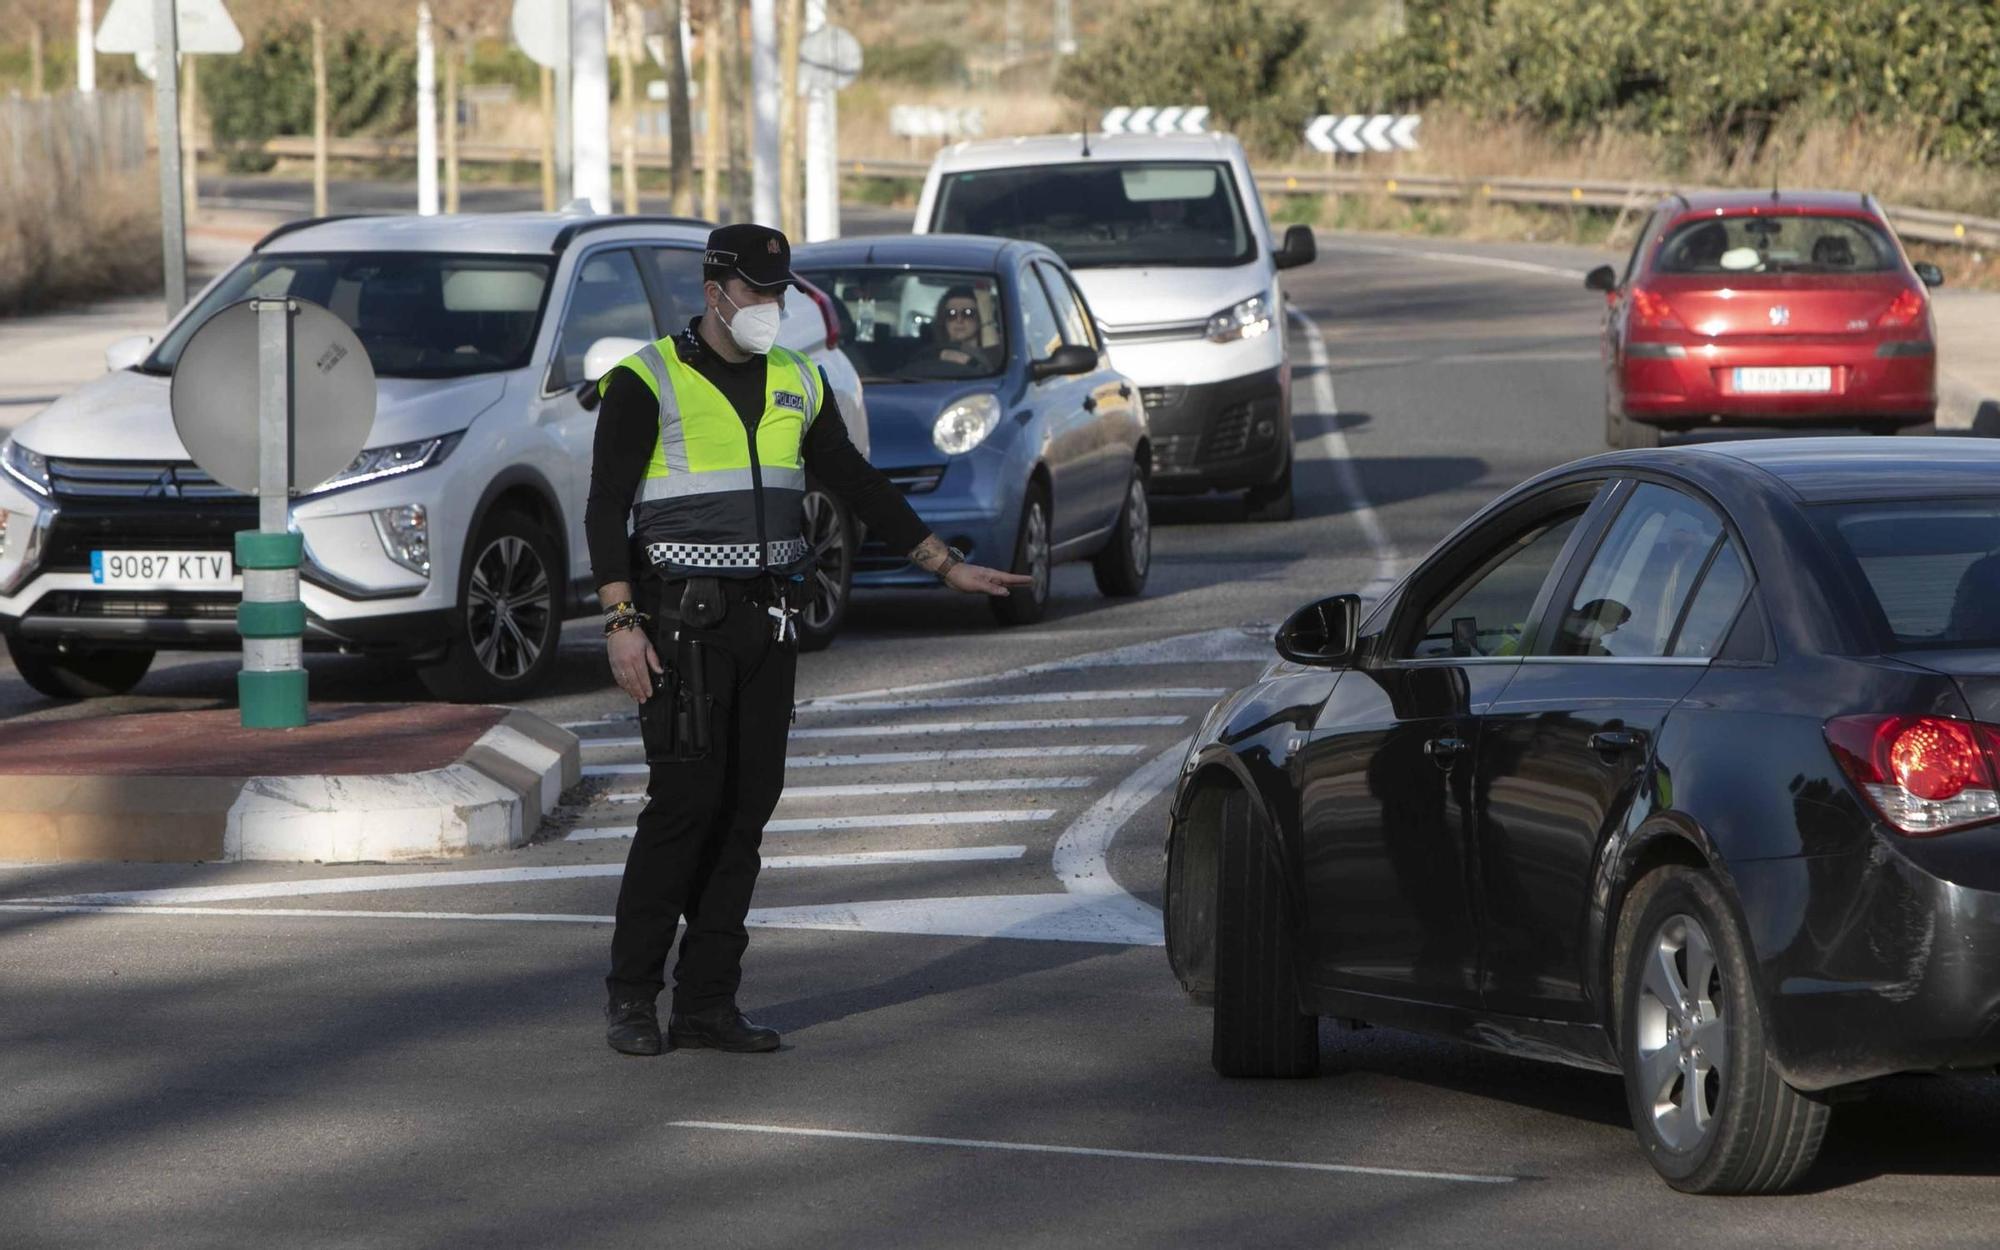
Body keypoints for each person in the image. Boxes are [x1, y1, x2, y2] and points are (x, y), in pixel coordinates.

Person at [585, 223, 1031, 1057]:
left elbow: (856, 481)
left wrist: (944, 565)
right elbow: (606, 506)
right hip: (679, 623)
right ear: (715, 290)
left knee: (747, 813)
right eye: (757, 292)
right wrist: (621, 622)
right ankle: (633, 997)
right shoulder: (646, 380)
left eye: (780, 293)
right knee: (684, 810)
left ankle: (709, 1002)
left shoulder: (799, 378)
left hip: (768, 622)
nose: (770, 307)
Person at [921, 285, 993, 372]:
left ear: (981, 317)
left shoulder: (998, 352)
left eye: (968, 313)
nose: (959, 320)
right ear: (943, 319)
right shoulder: (929, 356)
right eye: (951, 314)